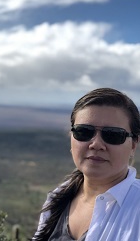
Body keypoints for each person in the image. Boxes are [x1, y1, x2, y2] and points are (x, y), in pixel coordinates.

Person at [33, 87, 140, 241]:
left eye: (113, 135)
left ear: (134, 144)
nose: (96, 144)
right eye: (83, 131)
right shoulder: (57, 198)